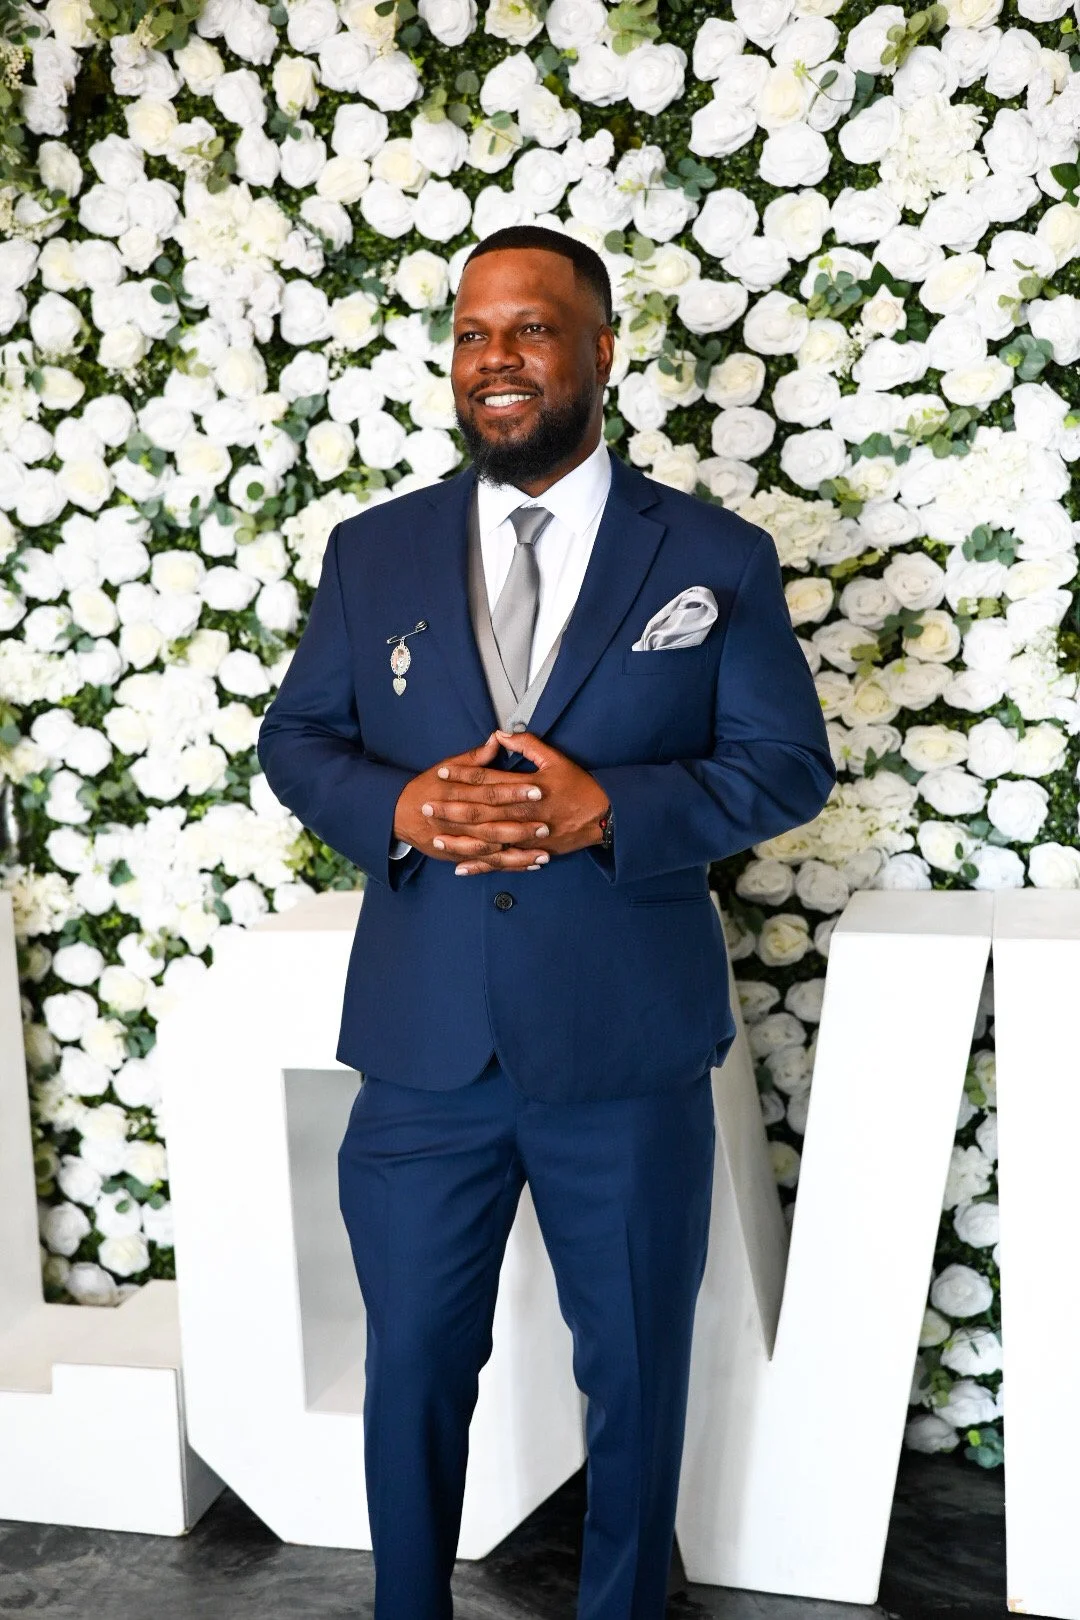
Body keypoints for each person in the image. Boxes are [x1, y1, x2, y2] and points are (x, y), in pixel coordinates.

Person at [257, 224, 835, 1620]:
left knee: (634, 1377)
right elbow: (299, 739)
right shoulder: (372, 551)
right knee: (411, 1373)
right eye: (472, 334)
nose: (495, 357)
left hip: (624, 1047)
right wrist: (403, 808)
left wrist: (609, 809)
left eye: (529, 328)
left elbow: (785, 765)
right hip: (424, 1049)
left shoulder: (716, 555)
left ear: (602, 349)